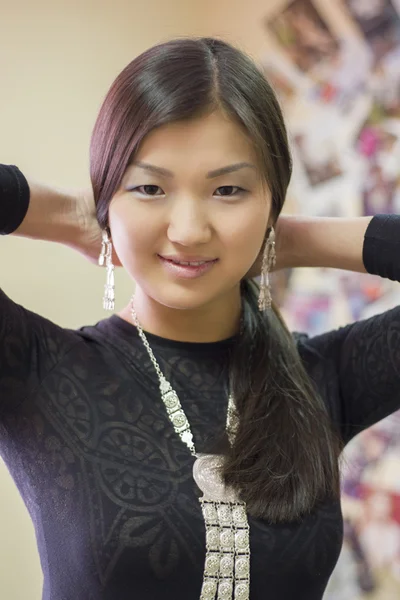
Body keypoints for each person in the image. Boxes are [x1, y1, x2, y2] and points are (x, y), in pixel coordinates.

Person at [1, 36, 400, 600]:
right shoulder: (36, 368)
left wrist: (294, 239)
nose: (189, 229)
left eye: (229, 189)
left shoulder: (322, 378)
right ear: (106, 196)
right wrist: (66, 214)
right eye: (149, 187)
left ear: (272, 199)